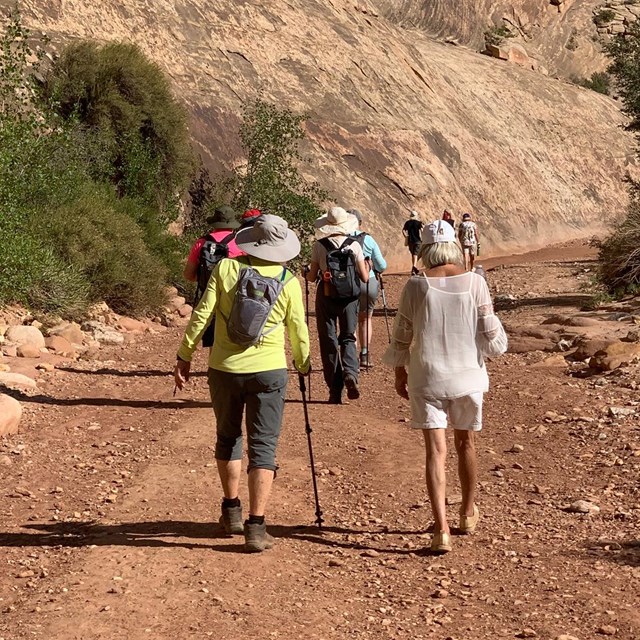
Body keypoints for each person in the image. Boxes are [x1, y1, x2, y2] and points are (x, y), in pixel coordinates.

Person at [174, 214, 311, 553]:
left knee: (228, 436)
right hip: (269, 371)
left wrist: (185, 354)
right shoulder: (288, 280)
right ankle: (256, 526)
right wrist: (304, 363)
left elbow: (202, 313)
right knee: (263, 446)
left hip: (223, 368)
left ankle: (231, 509)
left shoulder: (225, 269)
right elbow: (298, 330)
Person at [383, 220, 507, 554]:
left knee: (435, 452)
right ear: (454, 246)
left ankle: (441, 530)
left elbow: (402, 335)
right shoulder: (475, 283)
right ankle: (467, 513)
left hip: (428, 375)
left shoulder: (416, 285)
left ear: (424, 250)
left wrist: (399, 373)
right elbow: (491, 335)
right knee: (466, 444)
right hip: (468, 375)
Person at [306, 207, 369, 404]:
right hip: (350, 297)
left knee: (328, 340)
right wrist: (367, 266)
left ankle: (335, 389)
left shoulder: (319, 246)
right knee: (348, 337)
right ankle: (350, 373)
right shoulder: (354, 245)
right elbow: (365, 278)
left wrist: (305, 272)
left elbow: (310, 276)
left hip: (326, 295)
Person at [184, 205, 243, 350]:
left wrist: (206, 279)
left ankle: (213, 368)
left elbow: (188, 275)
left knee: (214, 339)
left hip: (208, 294)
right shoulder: (240, 243)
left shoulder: (201, 243)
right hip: (233, 296)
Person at [347, 208, 387, 368]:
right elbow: (382, 265)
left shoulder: (339, 239)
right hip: (368, 283)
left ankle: (349, 358)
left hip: (347, 284)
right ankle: (364, 354)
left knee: (349, 320)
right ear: (360, 223)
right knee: (365, 319)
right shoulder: (368, 239)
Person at [402, 211, 423, 275]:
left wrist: (405, 236)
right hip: (417, 240)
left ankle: (414, 267)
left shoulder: (407, 223)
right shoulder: (419, 223)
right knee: (415, 254)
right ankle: (414, 267)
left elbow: (403, 230)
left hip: (410, 241)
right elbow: (422, 230)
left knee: (413, 254)